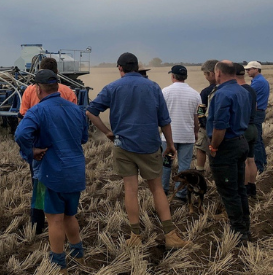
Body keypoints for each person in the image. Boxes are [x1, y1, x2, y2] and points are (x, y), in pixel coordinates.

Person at [86, 52, 189, 249]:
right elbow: (164, 120)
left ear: (120, 68)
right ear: (137, 68)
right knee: (157, 189)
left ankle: (135, 236)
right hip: (149, 145)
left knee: (130, 190)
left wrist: (108, 132)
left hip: (123, 146)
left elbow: (90, 111)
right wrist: (170, 144)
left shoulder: (112, 87)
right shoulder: (152, 87)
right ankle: (170, 235)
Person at [15, 70, 88, 273]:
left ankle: (59, 265)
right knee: (70, 216)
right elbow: (84, 138)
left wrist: (31, 151)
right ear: (57, 87)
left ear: (38, 89)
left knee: (54, 219)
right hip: (75, 172)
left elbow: (20, 133)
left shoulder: (38, 111)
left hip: (51, 173)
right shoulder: (76, 109)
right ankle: (78, 255)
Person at [18, 58, 78, 236]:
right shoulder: (68, 92)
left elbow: (22, 118)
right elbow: (76, 120)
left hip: (40, 149)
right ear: (57, 72)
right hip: (65, 147)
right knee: (63, 186)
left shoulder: (29, 91)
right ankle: (67, 225)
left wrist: (29, 150)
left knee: (40, 184)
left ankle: (37, 226)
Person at [207, 60, 251, 242]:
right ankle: (245, 226)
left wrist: (214, 147)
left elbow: (220, 127)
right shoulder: (243, 90)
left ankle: (238, 233)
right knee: (240, 188)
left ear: (218, 73)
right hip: (241, 142)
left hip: (226, 146)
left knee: (229, 190)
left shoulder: (222, 94)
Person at [161, 65, 201, 202]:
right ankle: (181, 194)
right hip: (187, 136)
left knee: (166, 164)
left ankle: (163, 190)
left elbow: (160, 115)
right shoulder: (196, 94)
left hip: (168, 138)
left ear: (172, 76)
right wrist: (196, 132)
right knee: (184, 166)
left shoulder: (165, 92)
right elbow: (197, 117)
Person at [234, 63, 259, 198]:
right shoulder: (251, 89)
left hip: (242, 129)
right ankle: (252, 189)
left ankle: (243, 191)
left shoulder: (238, 91)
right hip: (253, 127)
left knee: (242, 162)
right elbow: (255, 107)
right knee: (251, 159)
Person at [245, 60, 269, 173]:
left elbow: (247, 95)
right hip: (259, 112)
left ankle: (259, 166)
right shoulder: (259, 80)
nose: (247, 71)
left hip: (256, 113)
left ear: (256, 69)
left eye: (249, 69)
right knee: (258, 139)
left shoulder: (258, 82)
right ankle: (263, 163)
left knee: (256, 140)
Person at [195, 59, 218, 172]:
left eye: (205, 74)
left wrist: (203, 122)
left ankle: (199, 171)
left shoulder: (206, 92)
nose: (205, 77)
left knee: (201, 148)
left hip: (207, 126)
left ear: (212, 73)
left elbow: (200, 110)